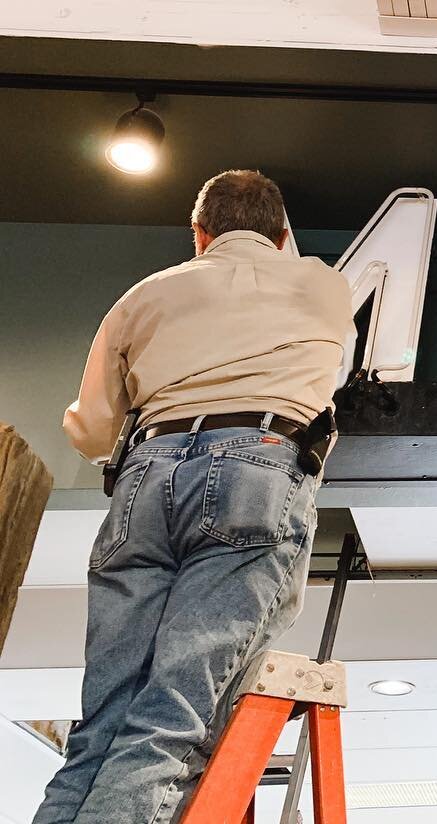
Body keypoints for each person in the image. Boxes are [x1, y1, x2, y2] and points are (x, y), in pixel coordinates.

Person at [34, 170, 354, 824]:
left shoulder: (146, 294)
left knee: (100, 728)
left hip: (145, 474)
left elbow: (92, 426)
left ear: (198, 233)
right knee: (171, 719)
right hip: (257, 466)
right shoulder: (323, 283)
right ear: (283, 234)